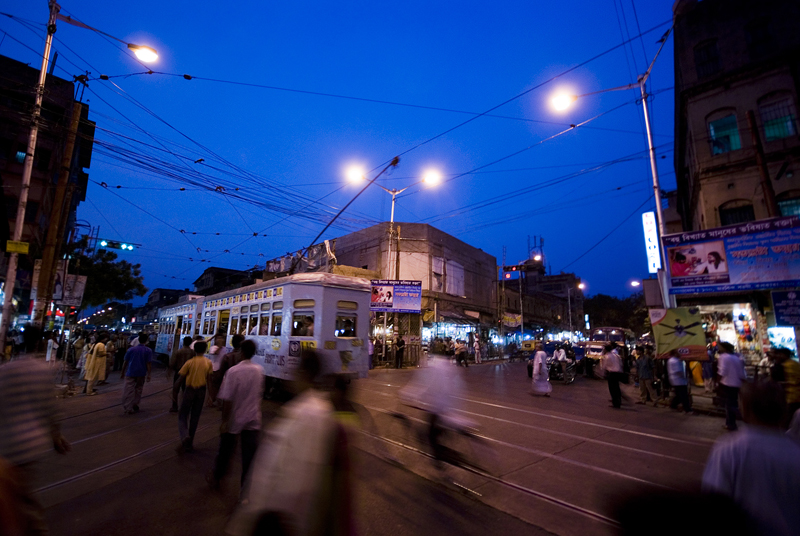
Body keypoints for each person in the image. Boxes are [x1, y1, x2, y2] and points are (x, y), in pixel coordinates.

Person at [226, 350, 354, 536]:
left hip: (278, 521)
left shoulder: (304, 414)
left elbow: (280, 475)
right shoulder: (319, 410)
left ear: (303, 374)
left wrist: (250, 516)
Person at [702, 382, 800, 536]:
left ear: (745, 409)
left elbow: (715, 501)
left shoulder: (729, 449)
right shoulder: (795, 452)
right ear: (784, 410)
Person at [0, 355, 71, 534]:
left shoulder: (5, 370)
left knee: (19, 499)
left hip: (7, 443)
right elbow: (51, 408)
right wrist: (56, 436)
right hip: (31, 442)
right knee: (21, 497)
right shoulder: (41, 371)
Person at [207, 339, 264, 490]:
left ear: (242, 352)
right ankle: (245, 490)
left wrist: (225, 421)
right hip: (253, 419)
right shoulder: (259, 370)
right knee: (249, 458)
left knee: (225, 452)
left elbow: (228, 399)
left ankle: (218, 478)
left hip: (235, 419)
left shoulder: (233, 372)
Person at [177, 341, 213, 453]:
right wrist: (210, 396)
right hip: (201, 391)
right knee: (195, 416)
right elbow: (209, 380)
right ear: (205, 349)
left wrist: (174, 390)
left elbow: (180, 378)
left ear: (194, 350)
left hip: (189, 390)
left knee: (183, 415)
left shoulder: (190, 362)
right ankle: (190, 442)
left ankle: (184, 436)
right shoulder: (208, 362)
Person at [120, 333, 153, 414]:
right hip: (141, 373)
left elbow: (125, 362)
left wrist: (122, 372)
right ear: (146, 341)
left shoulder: (131, 350)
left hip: (131, 372)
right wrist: (149, 374)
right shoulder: (148, 350)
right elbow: (148, 364)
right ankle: (135, 404)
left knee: (128, 390)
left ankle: (128, 407)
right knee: (138, 389)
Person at [717, 342, 746, 430]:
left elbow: (723, 371)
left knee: (729, 404)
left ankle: (730, 423)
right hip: (736, 383)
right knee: (733, 403)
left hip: (727, 383)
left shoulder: (723, 357)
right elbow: (741, 372)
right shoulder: (737, 357)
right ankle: (732, 422)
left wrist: (717, 381)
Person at [769, 347, 800, 429]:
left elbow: (793, 381)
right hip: (791, 396)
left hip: (792, 396)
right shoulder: (792, 363)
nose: (777, 356)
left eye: (779, 354)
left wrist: (780, 383)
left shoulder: (789, 365)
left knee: (787, 420)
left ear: (783, 355)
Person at [169, 336, 194, 412]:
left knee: (176, 389)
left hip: (179, 372)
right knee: (186, 390)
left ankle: (174, 406)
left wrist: (170, 370)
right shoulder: (193, 352)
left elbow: (172, 363)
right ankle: (185, 406)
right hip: (188, 373)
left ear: (183, 342)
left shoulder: (178, 351)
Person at [206, 334, 230, 407]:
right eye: (219, 338)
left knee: (219, 386)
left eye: (221, 338)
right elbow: (215, 353)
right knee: (213, 386)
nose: (221, 340)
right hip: (214, 370)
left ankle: (216, 401)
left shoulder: (224, 348)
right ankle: (211, 400)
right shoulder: (213, 347)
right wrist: (219, 346)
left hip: (220, 370)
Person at [667, 349, 693, 414]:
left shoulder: (671, 360)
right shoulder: (675, 361)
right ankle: (687, 409)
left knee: (679, 395)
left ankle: (673, 405)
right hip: (679, 380)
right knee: (683, 395)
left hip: (675, 380)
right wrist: (685, 378)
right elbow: (679, 371)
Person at [602, 343, 623, 408]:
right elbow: (620, 364)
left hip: (612, 373)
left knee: (612, 389)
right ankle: (618, 401)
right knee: (617, 388)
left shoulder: (607, 356)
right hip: (618, 373)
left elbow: (604, 366)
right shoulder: (616, 355)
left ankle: (615, 403)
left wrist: (603, 373)